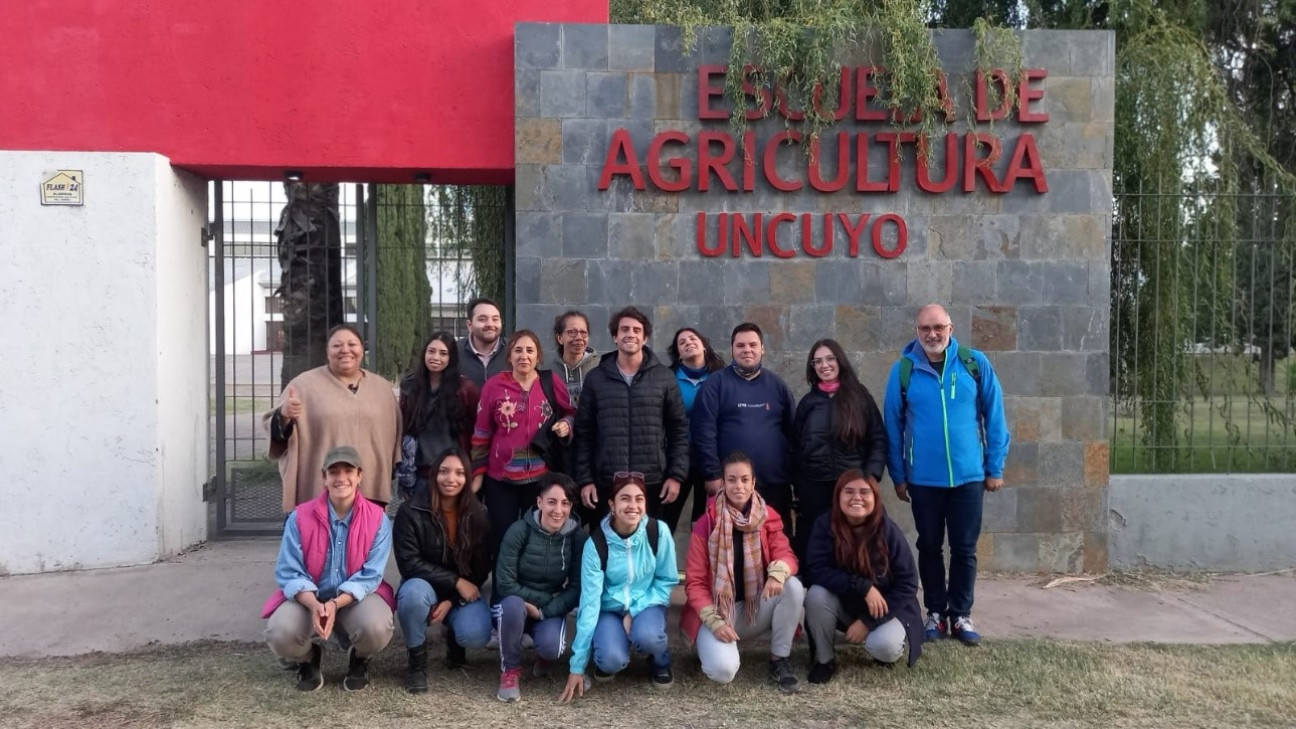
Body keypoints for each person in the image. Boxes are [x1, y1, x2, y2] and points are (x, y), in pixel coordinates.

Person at [883, 304, 1009, 646]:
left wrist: (994, 467)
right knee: (929, 547)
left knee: (965, 549)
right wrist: (898, 475)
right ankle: (936, 613)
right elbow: (891, 427)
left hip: (969, 478)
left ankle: (961, 614)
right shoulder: (904, 371)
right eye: (925, 328)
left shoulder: (974, 364)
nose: (932, 334)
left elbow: (994, 416)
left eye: (938, 327)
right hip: (923, 480)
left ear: (951, 328)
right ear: (916, 331)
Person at [262, 446, 395, 692]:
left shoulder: (378, 520)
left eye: (348, 470)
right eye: (333, 471)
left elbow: (371, 576)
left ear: (359, 476)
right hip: (308, 598)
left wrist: (334, 604)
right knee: (280, 633)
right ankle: (308, 658)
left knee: (377, 627)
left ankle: (360, 658)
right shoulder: (299, 517)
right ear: (324, 477)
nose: (341, 478)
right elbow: (289, 571)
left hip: (354, 599)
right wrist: (314, 605)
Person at [681, 452, 805, 693]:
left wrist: (777, 573)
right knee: (723, 672)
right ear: (723, 483)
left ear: (753, 483)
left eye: (745, 479)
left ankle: (779, 660)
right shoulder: (707, 522)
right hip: (718, 611)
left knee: (792, 586)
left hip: (755, 608)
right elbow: (694, 582)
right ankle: (711, 645)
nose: (739, 486)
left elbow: (787, 556)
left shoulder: (768, 516)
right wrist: (715, 623)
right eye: (732, 479)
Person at [559, 473, 678, 703]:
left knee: (649, 637)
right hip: (609, 609)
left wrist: (634, 612)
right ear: (612, 504)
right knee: (610, 660)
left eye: (639, 499)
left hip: (647, 603)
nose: (632, 505)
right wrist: (577, 667)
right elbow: (590, 604)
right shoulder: (596, 543)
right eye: (625, 498)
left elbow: (666, 581)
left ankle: (659, 660)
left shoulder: (658, 532)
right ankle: (606, 650)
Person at [572, 306, 689, 529]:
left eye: (637, 330)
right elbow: (584, 434)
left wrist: (676, 476)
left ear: (645, 338)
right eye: (624, 329)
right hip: (606, 482)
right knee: (607, 549)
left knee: (650, 548)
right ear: (615, 337)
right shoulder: (596, 379)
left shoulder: (664, 377)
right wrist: (585, 480)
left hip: (653, 482)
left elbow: (679, 430)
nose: (630, 334)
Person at [264, 324, 402, 513]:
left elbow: (394, 434)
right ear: (327, 351)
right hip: (318, 490)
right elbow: (277, 433)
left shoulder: (382, 389)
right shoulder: (304, 386)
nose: (345, 350)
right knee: (319, 542)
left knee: (365, 541)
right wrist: (284, 416)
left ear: (362, 350)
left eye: (352, 344)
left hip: (370, 490)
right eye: (337, 345)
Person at [804, 471, 923, 682]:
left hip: (886, 609)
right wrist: (863, 586)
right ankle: (824, 660)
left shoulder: (888, 530)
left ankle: (884, 649)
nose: (856, 497)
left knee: (884, 647)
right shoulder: (825, 525)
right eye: (848, 491)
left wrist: (868, 622)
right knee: (816, 595)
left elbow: (908, 584)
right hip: (846, 605)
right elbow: (816, 569)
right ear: (838, 496)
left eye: (864, 492)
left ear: (875, 498)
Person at [393, 448, 493, 693]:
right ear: (434, 474)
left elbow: (481, 568)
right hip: (423, 585)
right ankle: (417, 662)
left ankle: (454, 635)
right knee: (413, 596)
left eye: (459, 473)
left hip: (459, 591)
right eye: (444, 471)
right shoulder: (410, 511)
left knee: (476, 634)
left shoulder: (478, 514)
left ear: (468, 478)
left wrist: (452, 599)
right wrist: (456, 582)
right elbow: (409, 562)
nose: (451, 479)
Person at [471, 329, 576, 559]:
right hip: (501, 480)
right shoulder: (494, 386)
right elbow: (481, 432)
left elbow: (572, 412)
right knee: (503, 536)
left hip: (540, 479)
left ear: (538, 356)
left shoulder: (550, 382)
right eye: (518, 350)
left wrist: (567, 424)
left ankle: (532, 588)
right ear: (509, 357)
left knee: (535, 536)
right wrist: (477, 473)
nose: (524, 356)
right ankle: (503, 590)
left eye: (530, 350)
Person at [691, 322, 798, 533]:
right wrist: (712, 475)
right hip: (730, 487)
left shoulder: (777, 386)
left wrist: (793, 477)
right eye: (740, 345)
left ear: (762, 349)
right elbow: (703, 432)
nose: (747, 350)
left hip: (774, 486)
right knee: (731, 549)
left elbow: (792, 433)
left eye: (753, 345)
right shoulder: (715, 385)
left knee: (776, 545)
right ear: (732, 349)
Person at [493, 473, 587, 702]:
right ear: (539, 502)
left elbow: (576, 588)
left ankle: (544, 658)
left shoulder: (577, 537)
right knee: (513, 606)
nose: (558, 510)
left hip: (548, 607)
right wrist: (536, 602)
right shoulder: (519, 530)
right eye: (552, 502)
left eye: (565, 503)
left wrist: (544, 610)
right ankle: (510, 671)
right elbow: (504, 583)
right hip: (517, 602)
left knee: (553, 648)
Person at [792, 338, 887, 563]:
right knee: (816, 545)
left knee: (855, 544)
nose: (824, 365)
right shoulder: (808, 402)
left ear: (840, 361)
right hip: (814, 489)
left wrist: (870, 477)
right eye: (817, 361)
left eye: (829, 359)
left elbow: (878, 438)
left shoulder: (859, 396)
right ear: (812, 367)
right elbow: (795, 447)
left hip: (852, 485)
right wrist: (799, 486)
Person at [396, 331, 480, 499]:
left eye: (443, 353)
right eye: (431, 351)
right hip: (420, 473)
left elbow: (476, 430)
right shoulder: (410, 385)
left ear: (451, 358)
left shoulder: (465, 388)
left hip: (453, 473)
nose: (436, 357)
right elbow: (403, 427)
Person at [663, 326, 727, 528]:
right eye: (682, 342)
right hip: (677, 458)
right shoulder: (668, 378)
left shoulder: (721, 377)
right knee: (665, 519)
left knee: (704, 522)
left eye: (693, 339)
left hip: (710, 458)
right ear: (678, 354)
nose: (688, 343)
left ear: (704, 346)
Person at [549, 310, 599, 407]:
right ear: (559, 338)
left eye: (583, 332)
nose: (579, 337)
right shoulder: (549, 372)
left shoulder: (601, 367)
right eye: (572, 332)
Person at [457, 297, 509, 388]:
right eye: (482, 319)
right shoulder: (454, 351)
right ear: (469, 325)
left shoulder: (513, 350)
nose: (490, 324)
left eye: (495, 319)